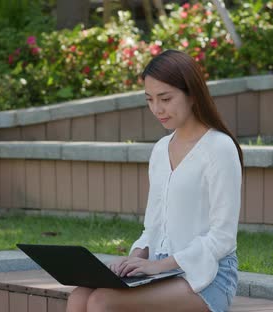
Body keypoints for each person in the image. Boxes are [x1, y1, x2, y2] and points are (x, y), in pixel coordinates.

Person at [66, 49, 243, 312]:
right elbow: (153, 228)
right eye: (149, 99)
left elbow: (223, 238)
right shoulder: (161, 149)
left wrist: (160, 265)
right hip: (161, 271)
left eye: (165, 98)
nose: (157, 109)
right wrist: (133, 259)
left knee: (102, 302)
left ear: (192, 94)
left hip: (208, 276)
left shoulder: (219, 147)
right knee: (79, 297)